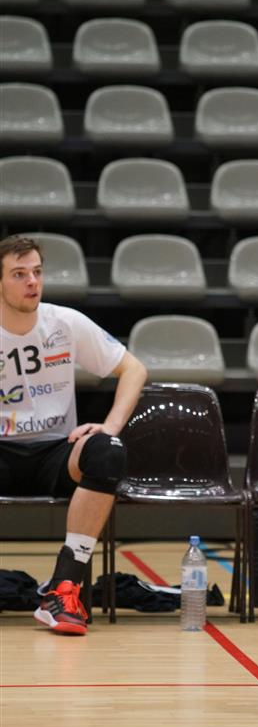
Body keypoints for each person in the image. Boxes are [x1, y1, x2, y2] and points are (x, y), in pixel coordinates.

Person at [0, 235, 148, 636]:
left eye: (37, 272)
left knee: (108, 451)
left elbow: (134, 369)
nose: (32, 281)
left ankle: (64, 589)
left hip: (55, 451)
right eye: (19, 274)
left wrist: (109, 426)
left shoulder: (63, 323)